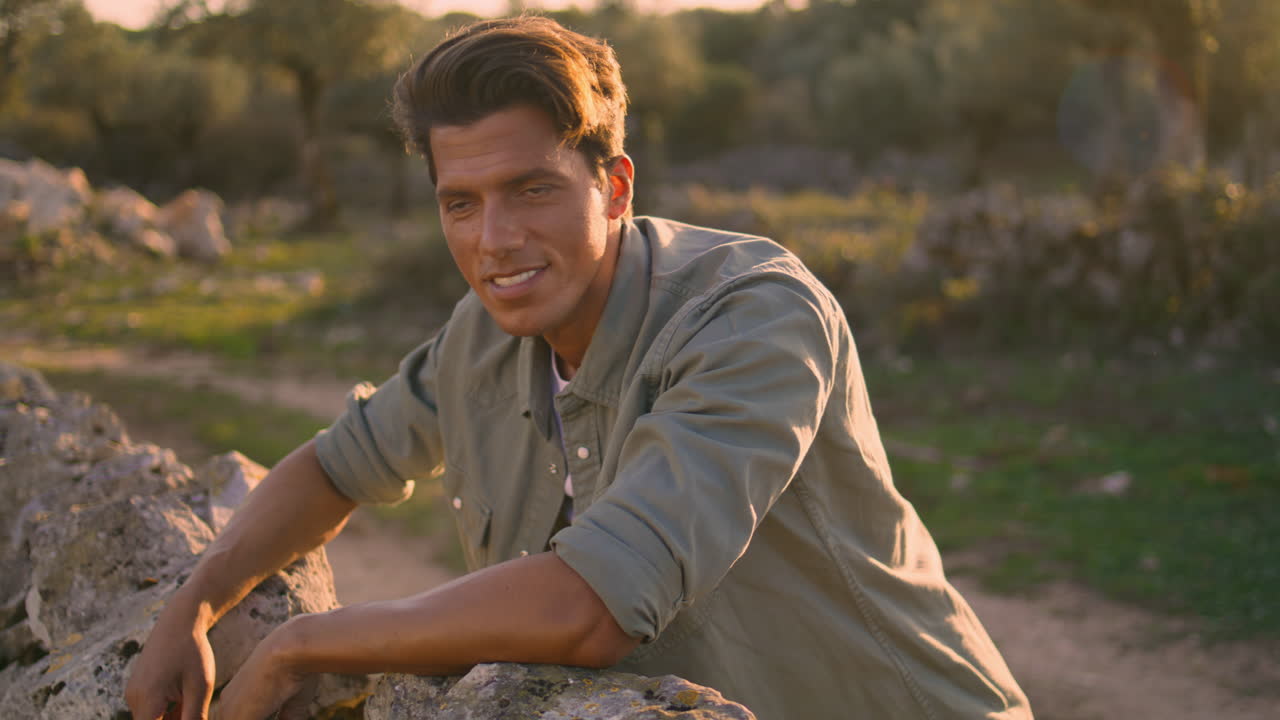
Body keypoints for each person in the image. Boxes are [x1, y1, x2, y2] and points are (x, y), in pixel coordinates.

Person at [126, 15, 1031, 720]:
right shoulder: (479, 338)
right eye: (461, 203)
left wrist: (304, 646)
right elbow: (334, 467)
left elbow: (593, 609)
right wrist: (193, 606)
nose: (494, 241)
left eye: (532, 189)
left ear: (618, 187)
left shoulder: (753, 316)